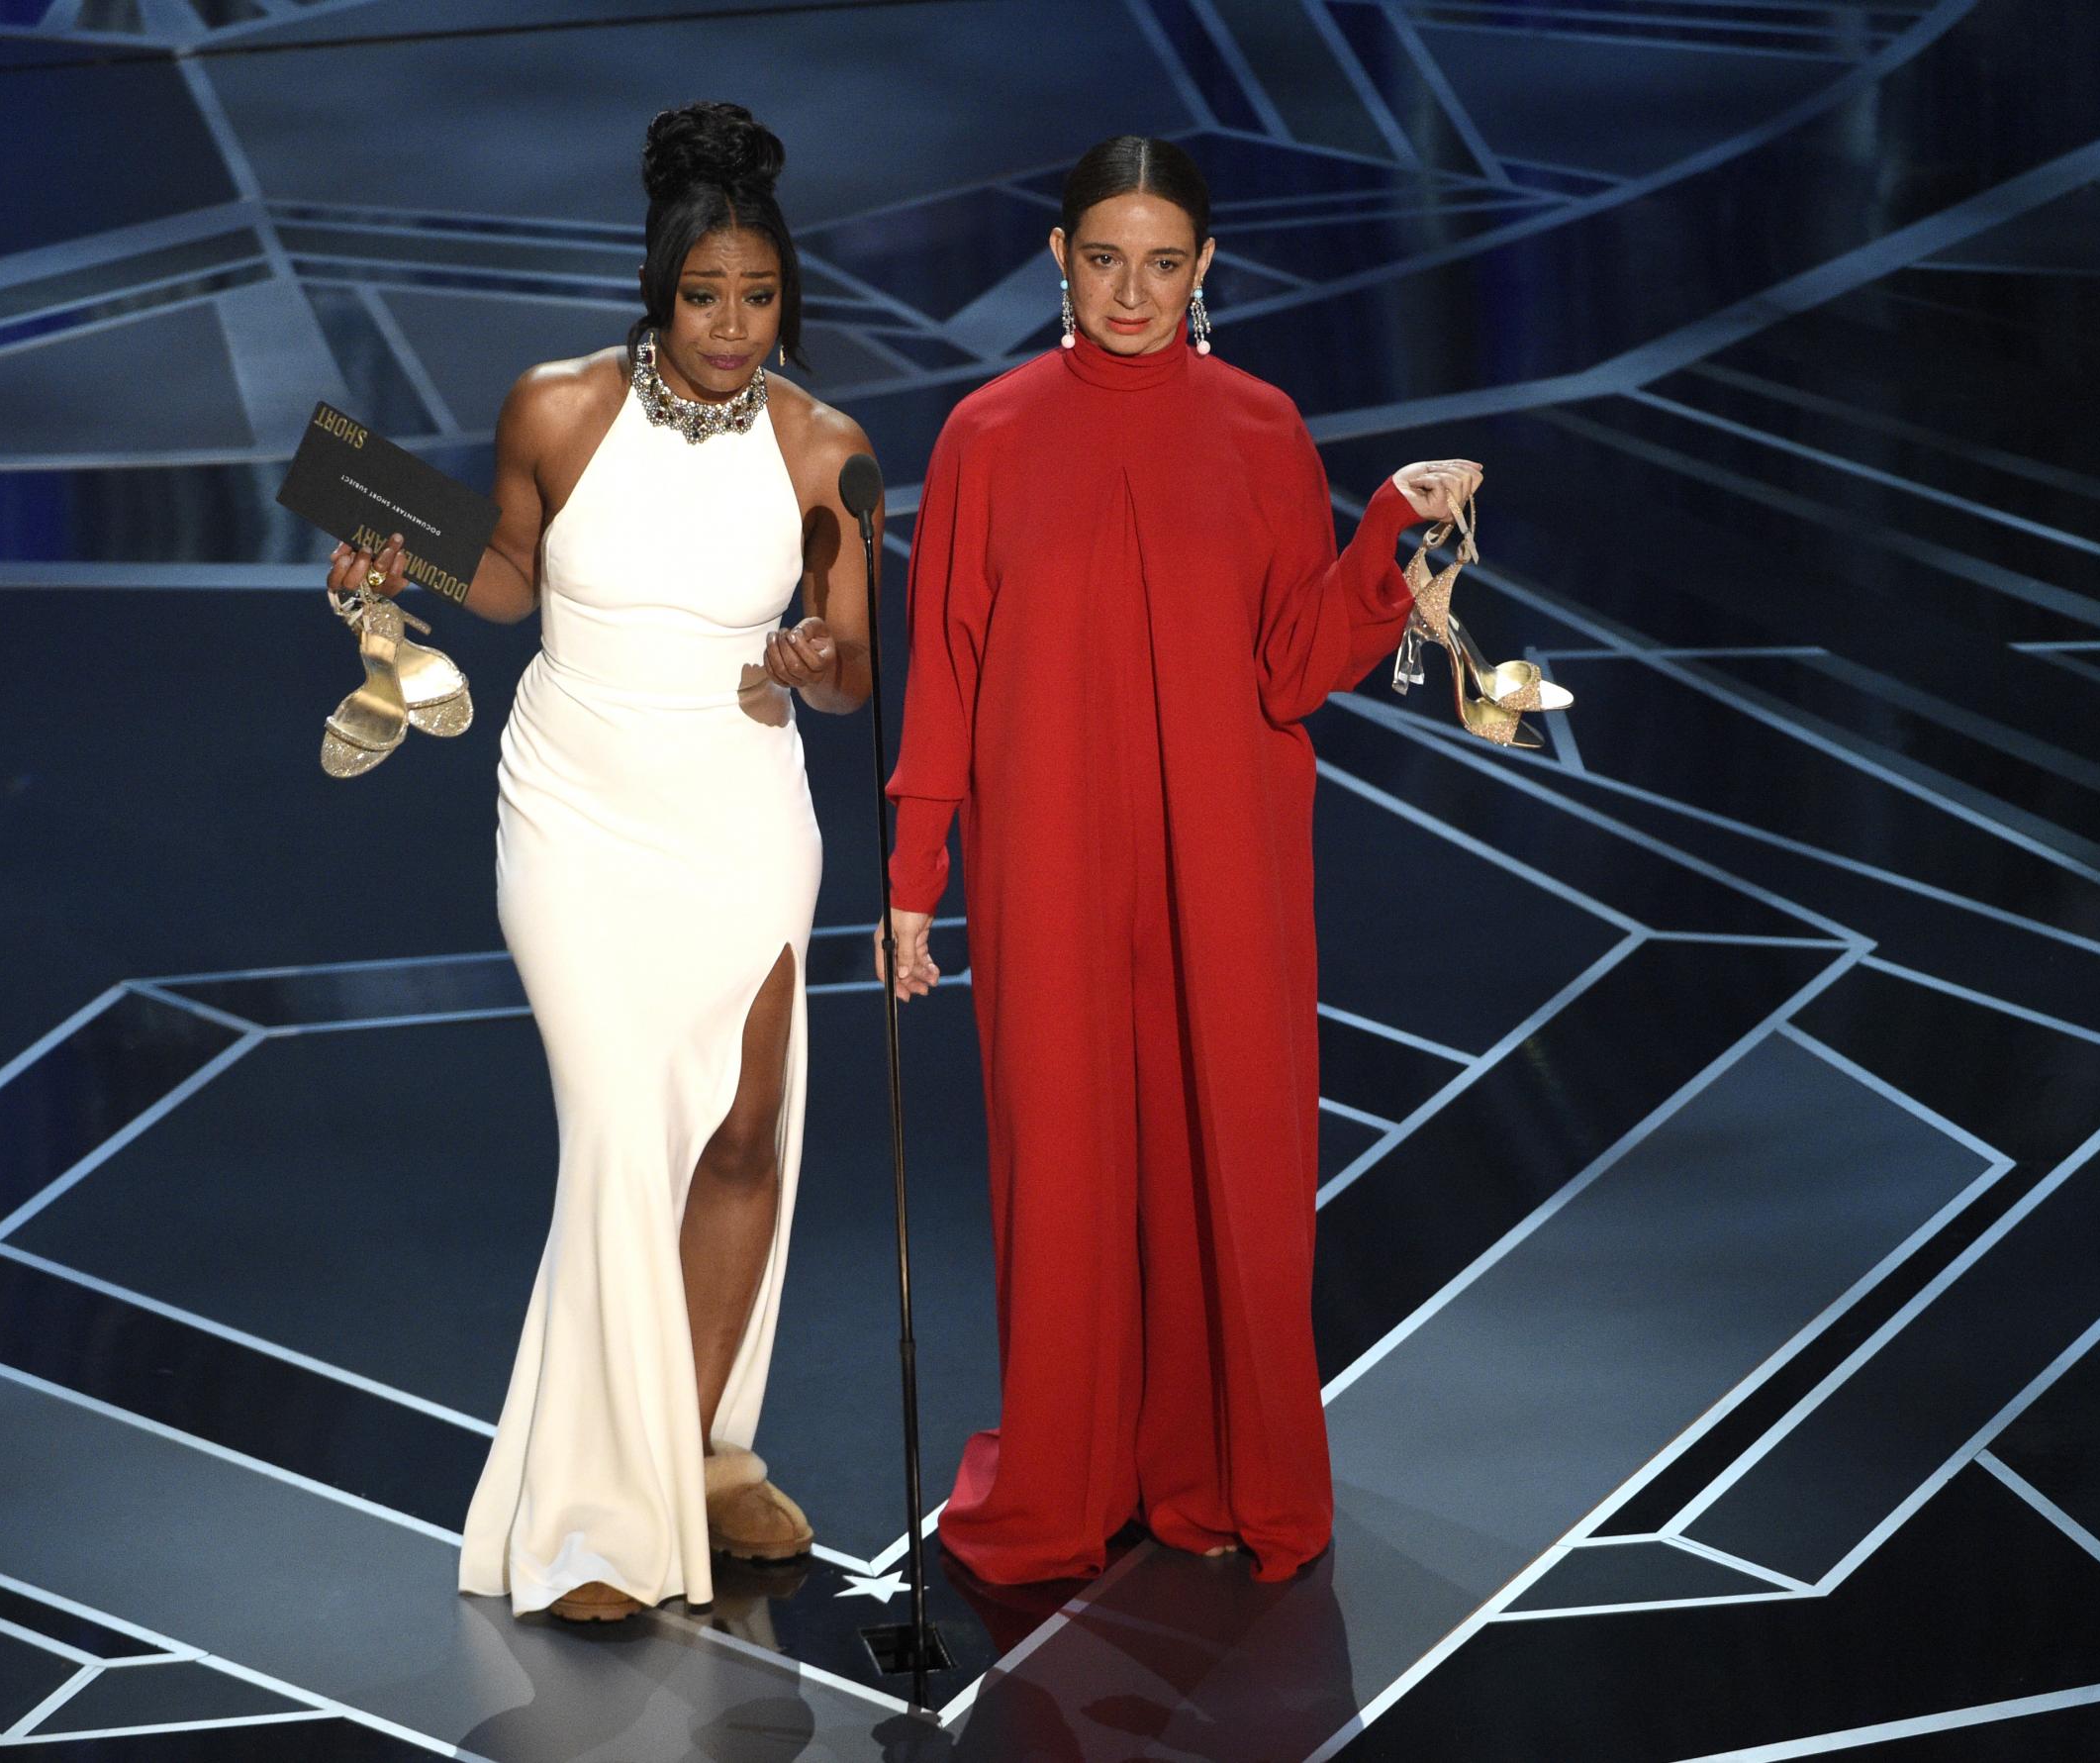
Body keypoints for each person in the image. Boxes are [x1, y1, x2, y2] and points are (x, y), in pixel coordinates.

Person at [880, 134, 1481, 1586]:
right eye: (1104, 260)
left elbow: (1291, 663)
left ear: (1205, 269)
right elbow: (946, 667)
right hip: (1048, 859)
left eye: (1163, 264)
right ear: (1058, 259)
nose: (1132, 292)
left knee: (1238, 1157)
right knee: (1064, 1160)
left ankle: (1229, 1472)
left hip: (1229, 856)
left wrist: (1393, 526)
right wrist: (914, 874)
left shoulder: (1264, 427)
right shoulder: (988, 433)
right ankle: (1068, 1481)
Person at [327, 100, 876, 1622]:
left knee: (747, 1133)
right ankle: (586, 1517)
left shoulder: (827, 449)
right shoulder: (556, 409)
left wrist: (811, 661)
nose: (732, 326)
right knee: (625, 1134)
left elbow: (851, 674)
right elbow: (508, 574)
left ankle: (701, 1453)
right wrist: (397, 546)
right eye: (706, 295)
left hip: (742, 811)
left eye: (759, 298)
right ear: (658, 285)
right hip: (574, 808)